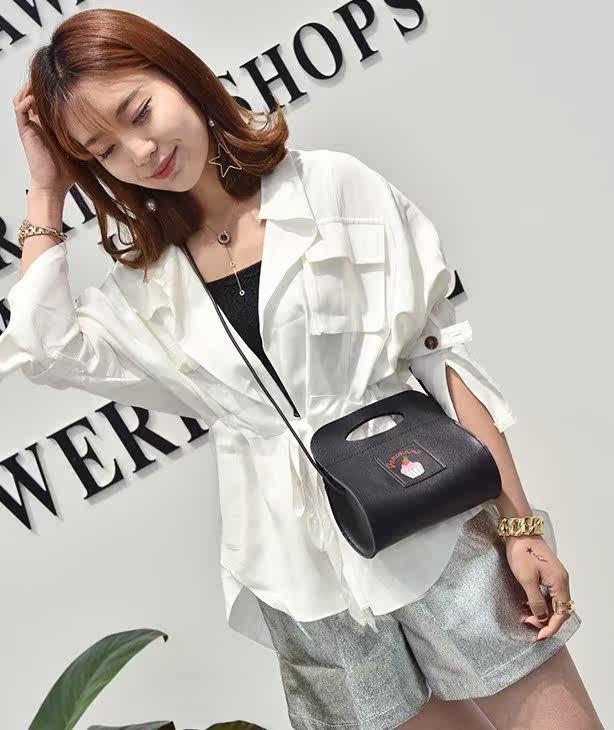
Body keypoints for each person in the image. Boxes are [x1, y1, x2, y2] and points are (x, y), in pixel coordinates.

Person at [2, 8, 602, 729]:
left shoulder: (331, 188)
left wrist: (521, 527)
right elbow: (42, 345)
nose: (140, 150)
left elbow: (438, 360)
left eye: (140, 112)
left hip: (437, 530)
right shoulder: (146, 288)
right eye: (103, 150)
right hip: (307, 584)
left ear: (181, 78)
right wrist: (45, 189)